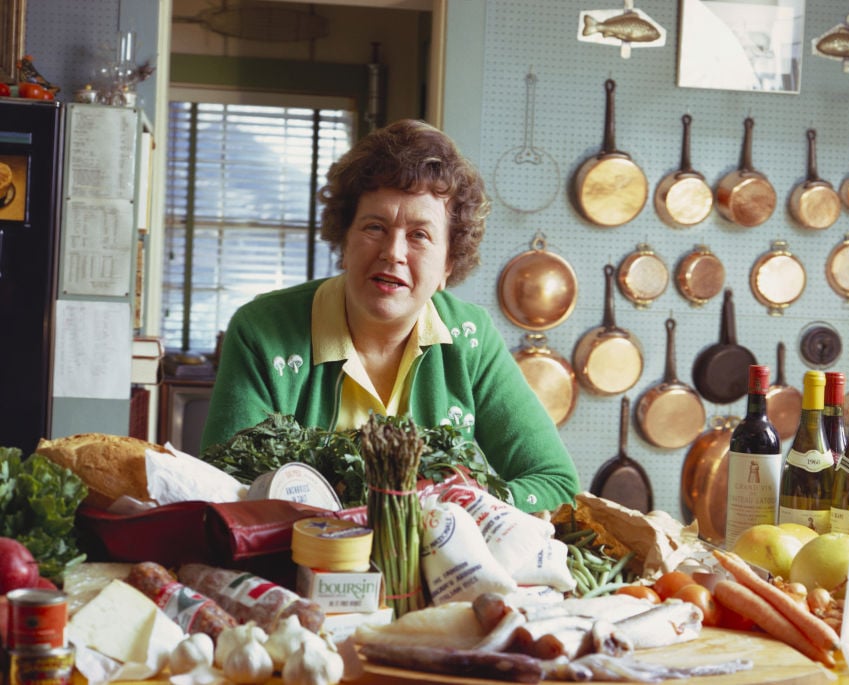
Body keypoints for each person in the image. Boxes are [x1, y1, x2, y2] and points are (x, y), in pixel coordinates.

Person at [200, 119, 580, 512]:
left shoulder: (471, 338)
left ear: (449, 263)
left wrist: (462, 506)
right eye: (375, 227)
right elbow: (224, 488)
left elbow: (557, 483)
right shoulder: (262, 331)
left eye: (419, 235)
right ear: (345, 241)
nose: (393, 252)